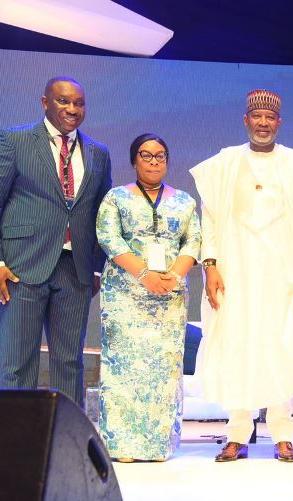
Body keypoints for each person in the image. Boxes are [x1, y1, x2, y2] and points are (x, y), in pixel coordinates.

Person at [191, 89, 293, 463]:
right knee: (237, 346)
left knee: (282, 344)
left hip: (285, 273)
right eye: (256, 117)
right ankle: (237, 434)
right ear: (246, 120)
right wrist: (210, 265)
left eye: (269, 118)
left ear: (279, 122)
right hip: (235, 271)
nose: (263, 123)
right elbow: (208, 219)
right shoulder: (224, 163)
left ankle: (282, 434)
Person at [0, 76, 112, 407]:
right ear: (45, 102)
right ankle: (15, 443)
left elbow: (102, 214)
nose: (72, 109)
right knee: (18, 364)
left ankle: (67, 442)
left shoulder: (98, 152)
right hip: (21, 267)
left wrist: (95, 269)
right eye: (63, 101)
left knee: (70, 363)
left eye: (79, 103)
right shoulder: (14, 140)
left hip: (75, 270)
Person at [96, 134, 200, 462]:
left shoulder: (184, 201)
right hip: (125, 295)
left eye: (160, 156)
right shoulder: (116, 198)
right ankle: (121, 446)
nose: (154, 161)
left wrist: (176, 275)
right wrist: (144, 274)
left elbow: (194, 241)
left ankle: (158, 446)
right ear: (134, 160)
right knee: (123, 369)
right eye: (146, 155)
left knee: (163, 371)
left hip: (168, 297)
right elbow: (108, 238)